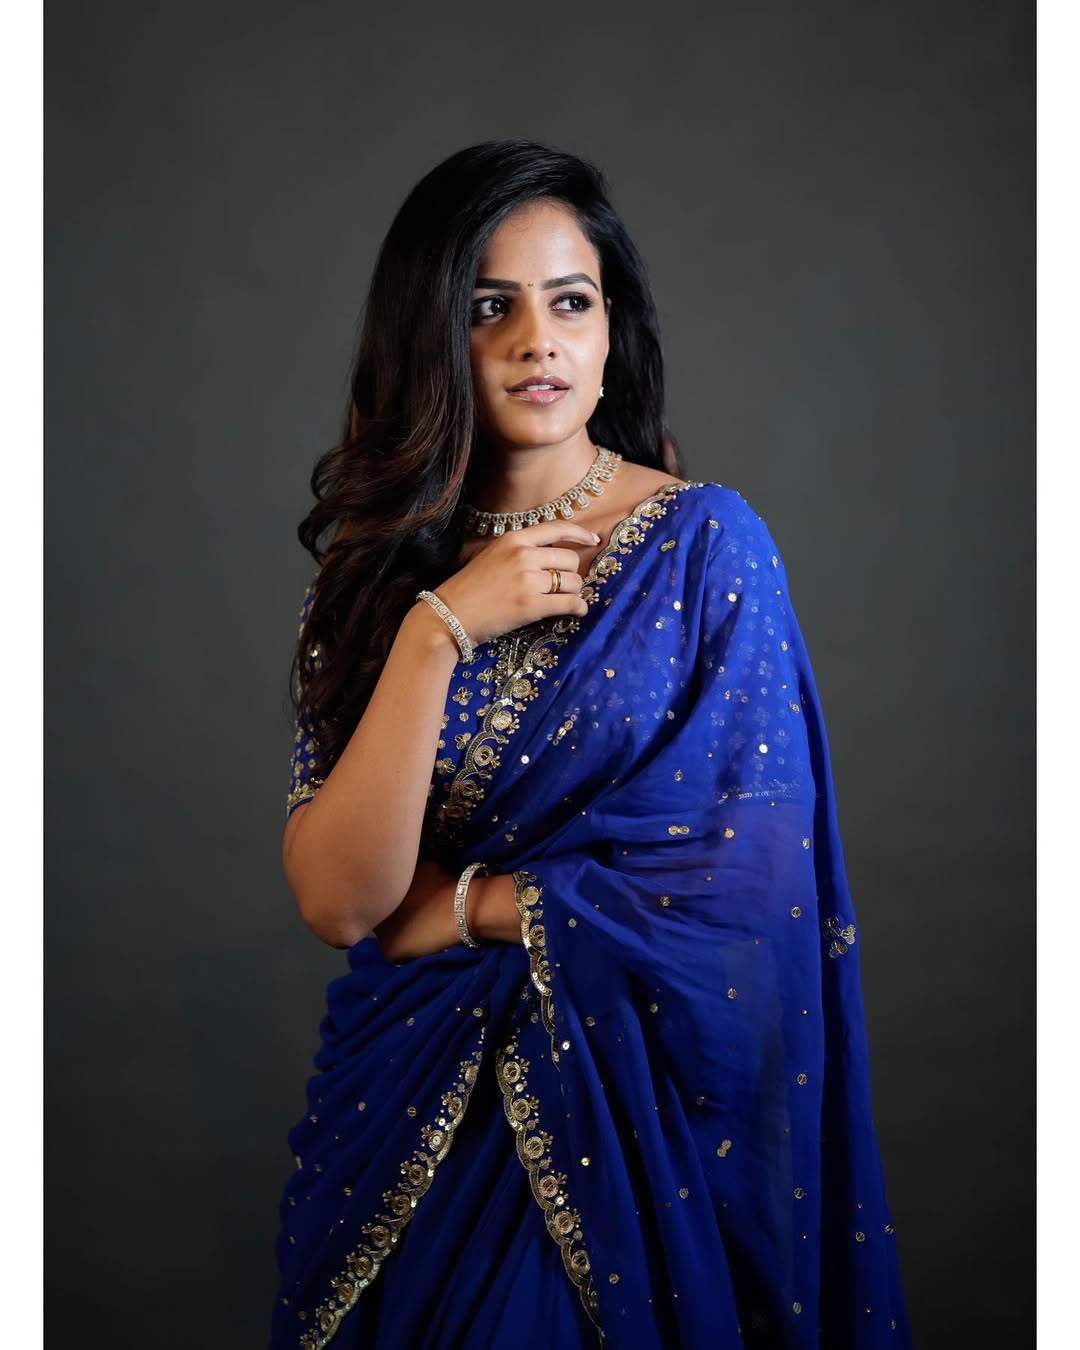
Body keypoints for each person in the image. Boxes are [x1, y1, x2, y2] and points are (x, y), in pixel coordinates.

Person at [269, 138, 912, 1350]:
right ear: (429, 333)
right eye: (489, 308)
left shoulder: (704, 549)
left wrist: (472, 906)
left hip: (624, 1127)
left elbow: (744, 895)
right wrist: (440, 630)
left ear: (613, 328)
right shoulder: (371, 577)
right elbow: (344, 901)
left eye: (572, 301)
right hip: (395, 1121)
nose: (538, 340)